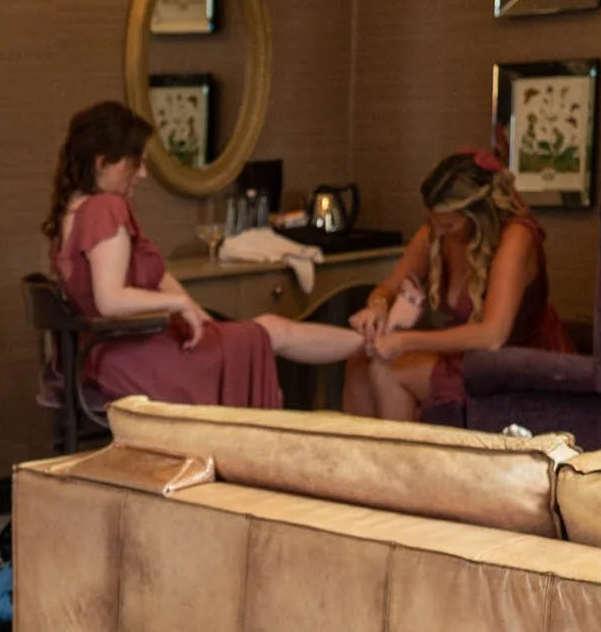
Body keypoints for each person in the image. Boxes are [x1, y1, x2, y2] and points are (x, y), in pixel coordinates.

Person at [49, 101, 366, 412]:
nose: (143, 174)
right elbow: (110, 300)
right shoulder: (105, 208)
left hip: (110, 354)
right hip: (135, 358)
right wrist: (179, 304)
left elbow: (158, 277)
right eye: (135, 164)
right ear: (102, 163)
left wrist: (198, 313)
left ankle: (369, 345)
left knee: (266, 332)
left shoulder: (73, 209)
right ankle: (372, 345)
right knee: (268, 332)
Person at [344, 149, 574, 421]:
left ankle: (395, 450)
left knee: (387, 372)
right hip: (464, 356)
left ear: (479, 215)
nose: (438, 232)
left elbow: (492, 336)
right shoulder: (438, 230)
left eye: (449, 225)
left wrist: (405, 341)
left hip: (509, 361)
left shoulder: (516, 238)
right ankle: (361, 448)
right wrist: (377, 307)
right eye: (433, 222)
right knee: (358, 361)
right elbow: (388, 288)